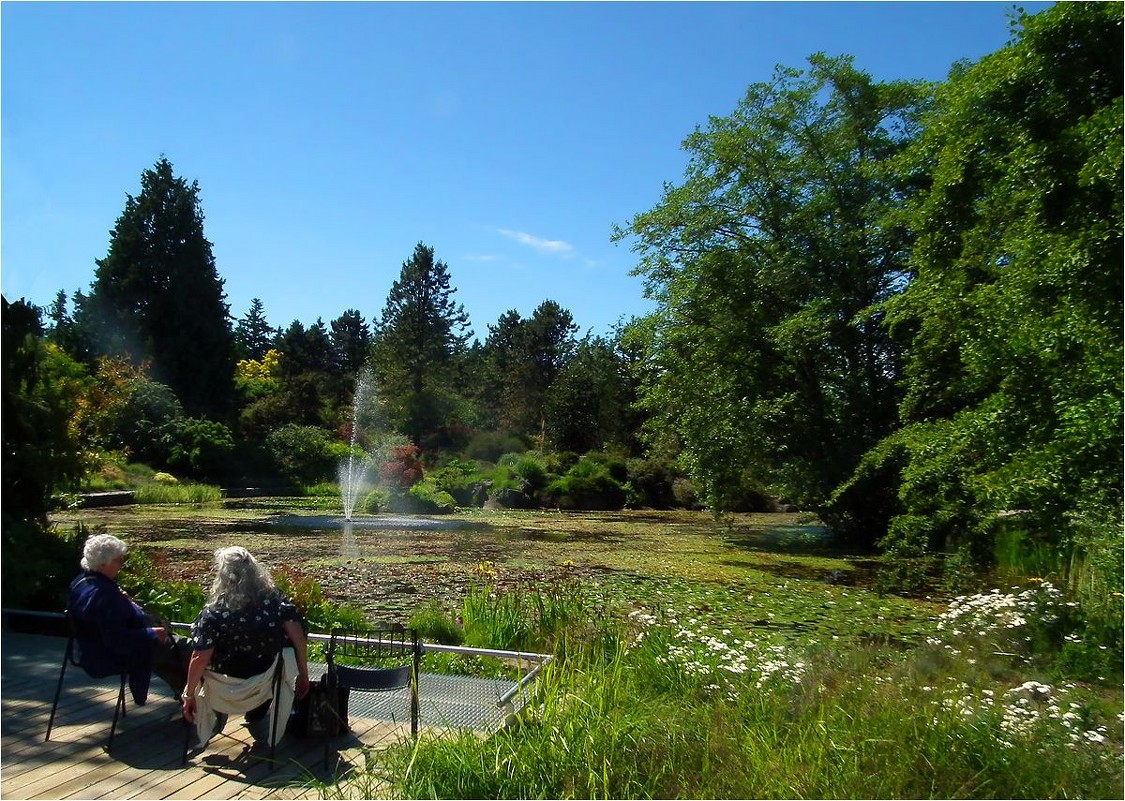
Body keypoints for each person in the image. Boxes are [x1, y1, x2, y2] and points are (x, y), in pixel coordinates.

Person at [181, 546, 310, 738]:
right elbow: (297, 636)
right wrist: (303, 674)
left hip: (221, 687)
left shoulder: (214, 612)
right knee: (279, 656)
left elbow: (200, 656)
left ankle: (224, 718)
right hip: (265, 681)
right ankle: (258, 712)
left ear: (222, 575)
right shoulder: (273, 601)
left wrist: (188, 694)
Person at [67, 533, 190, 706]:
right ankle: (193, 700)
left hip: (87, 650)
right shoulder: (105, 595)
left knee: (174, 652)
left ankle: (186, 696)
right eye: (118, 561)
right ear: (103, 563)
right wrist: (151, 634)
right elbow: (117, 640)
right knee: (190, 652)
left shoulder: (81, 582)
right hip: (111, 656)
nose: (121, 565)